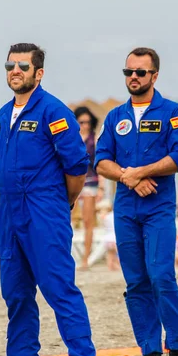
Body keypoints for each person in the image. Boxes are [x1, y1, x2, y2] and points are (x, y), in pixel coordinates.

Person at [0, 43, 101, 356]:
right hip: (9, 211)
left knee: (59, 288)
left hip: (44, 209)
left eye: (23, 66)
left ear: (38, 73)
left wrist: (59, 202)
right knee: (16, 293)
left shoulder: (53, 112)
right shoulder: (1, 115)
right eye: (11, 65)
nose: (15, 71)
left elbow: (76, 165)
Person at [95, 47, 178, 356]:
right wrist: (128, 176)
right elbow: (101, 160)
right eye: (128, 72)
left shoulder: (173, 112)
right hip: (125, 208)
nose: (133, 77)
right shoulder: (114, 117)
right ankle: (150, 355)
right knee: (136, 282)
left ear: (154, 76)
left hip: (158, 207)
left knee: (162, 276)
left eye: (140, 72)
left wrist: (143, 171)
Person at [74, 106, 104, 269]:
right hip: (73, 183)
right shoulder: (72, 138)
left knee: (88, 221)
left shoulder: (96, 139)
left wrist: (102, 187)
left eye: (88, 122)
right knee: (69, 219)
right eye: (82, 122)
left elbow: (102, 163)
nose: (85, 125)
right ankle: (71, 257)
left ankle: (85, 258)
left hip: (91, 182)